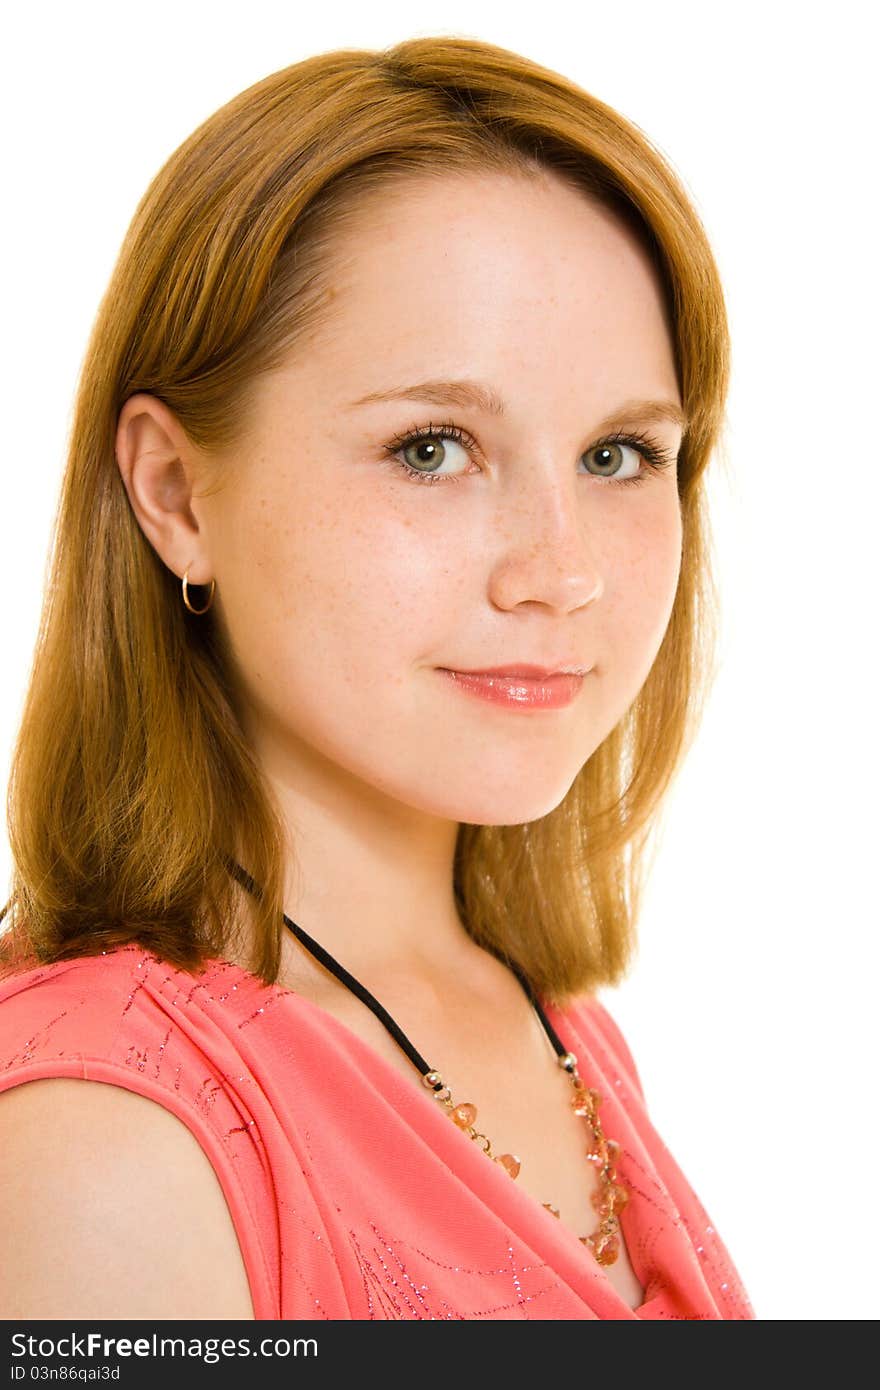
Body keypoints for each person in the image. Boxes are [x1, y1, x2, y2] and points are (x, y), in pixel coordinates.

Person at [0, 34, 753, 1321]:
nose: (556, 572)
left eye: (620, 454)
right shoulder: (107, 1145)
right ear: (176, 494)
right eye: (432, 447)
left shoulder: (551, 1020)